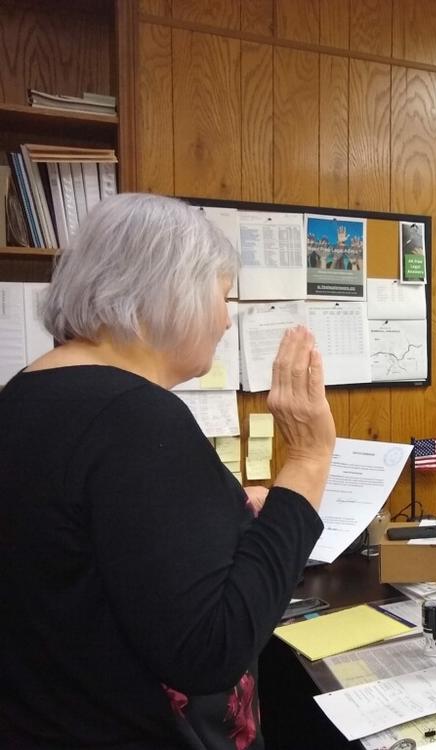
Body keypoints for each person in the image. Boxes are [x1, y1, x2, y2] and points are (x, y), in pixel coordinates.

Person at [0, 194, 337, 749]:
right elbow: (211, 650)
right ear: (168, 288)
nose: (227, 319)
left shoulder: (23, 395)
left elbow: (107, 555)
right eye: (221, 295)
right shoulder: (135, 417)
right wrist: (306, 461)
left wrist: (234, 518)